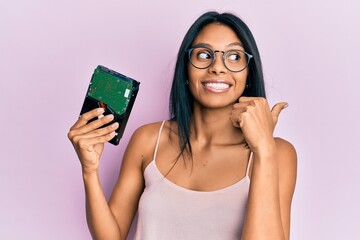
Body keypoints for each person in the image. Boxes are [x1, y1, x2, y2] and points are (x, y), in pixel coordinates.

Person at [68, 11, 297, 240]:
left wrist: (264, 148)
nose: (218, 67)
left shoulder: (278, 154)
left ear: (249, 74)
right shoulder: (148, 141)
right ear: (186, 69)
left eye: (234, 57)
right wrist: (89, 171)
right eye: (204, 55)